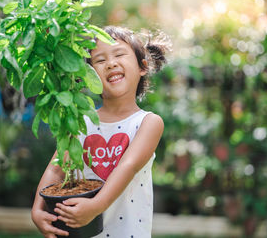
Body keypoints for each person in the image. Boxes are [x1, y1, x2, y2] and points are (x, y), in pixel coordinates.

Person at [31, 26, 171, 238]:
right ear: (88, 75)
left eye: (119, 54)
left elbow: (129, 166)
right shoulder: (80, 120)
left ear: (142, 67)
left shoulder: (148, 123)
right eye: (100, 60)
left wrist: (96, 206)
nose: (111, 63)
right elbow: (57, 169)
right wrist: (37, 209)